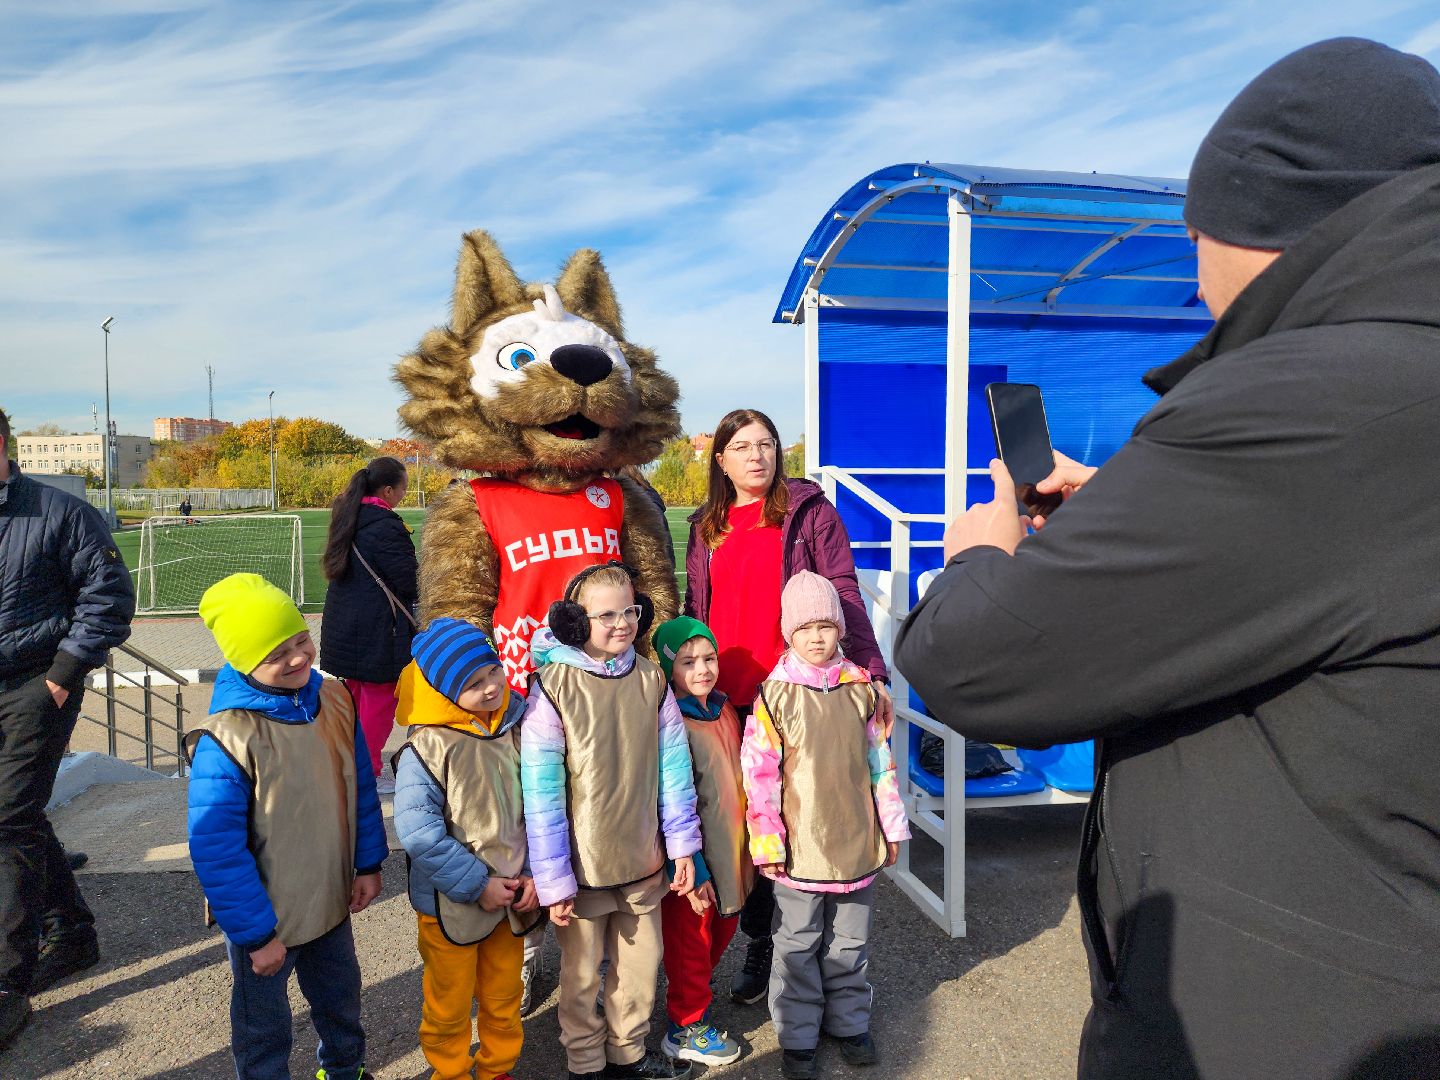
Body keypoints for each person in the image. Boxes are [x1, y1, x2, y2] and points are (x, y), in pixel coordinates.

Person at [894, 37, 1440, 1080]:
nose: (1195, 287)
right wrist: (1132, 509)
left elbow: (975, 661)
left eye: (1197, 237)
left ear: (1257, 219)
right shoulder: (1397, 381)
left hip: (1295, 1024)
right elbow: (1329, 562)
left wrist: (979, 553)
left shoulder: (1304, 399)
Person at [682, 407, 891, 1005]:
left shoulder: (809, 513)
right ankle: (758, 935)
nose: (757, 455)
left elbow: (842, 590)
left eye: (767, 444)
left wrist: (871, 671)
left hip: (792, 697)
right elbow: (695, 604)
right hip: (724, 697)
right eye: (743, 446)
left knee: (797, 816)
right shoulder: (705, 527)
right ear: (720, 459)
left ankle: (788, 945)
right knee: (749, 822)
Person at [186, 573, 387, 1080]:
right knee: (263, 1027)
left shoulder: (335, 699)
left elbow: (358, 784)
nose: (298, 658)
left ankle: (344, 1069)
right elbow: (217, 849)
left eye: (301, 640)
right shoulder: (228, 737)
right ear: (243, 662)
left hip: (330, 899)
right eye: (277, 654)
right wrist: (256, 936)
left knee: (341, 1002)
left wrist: (367, 862)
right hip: (267, 918)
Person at [522, 562, 702, 1080]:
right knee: (579, 978)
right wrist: (554, 879)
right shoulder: (552, 687)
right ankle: (584, 1063)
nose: (622, 623)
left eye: (629, 611)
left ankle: (627, 1055)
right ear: (575, 621)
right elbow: (542, 793)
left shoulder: (651, 679)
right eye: (607, 615)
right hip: (581, 871)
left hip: (643, 860)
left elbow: (674, 769)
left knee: (639, 972)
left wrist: (682, 845)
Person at [0, 407, 133, 1049]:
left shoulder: (59, 512)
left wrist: (64, 670)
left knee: (5, 817)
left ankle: (8, 981)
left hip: (38, 680)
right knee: (18, 814)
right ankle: (74, 933)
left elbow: (106, 596)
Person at [741, 572, 909, 1080]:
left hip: (857, 842)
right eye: (806, 627)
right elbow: (760, 777)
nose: (817, 637)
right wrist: (767, 841)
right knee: (797, 941)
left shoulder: (863, 692)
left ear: (840, 629)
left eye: (826, 626)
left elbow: (881, 766)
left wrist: (893, 826)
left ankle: (850, 1022)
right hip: (799, 849)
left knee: (850, 942)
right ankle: (797, 1034)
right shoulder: (774, 697)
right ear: (789, 632)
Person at [393, 618, 541, 1080]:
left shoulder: (519, 724)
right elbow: (419, 833)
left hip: (514, 896)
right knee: (449, 1003)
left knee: (503, 997)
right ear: (444, 690)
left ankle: (498, 1067)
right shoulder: (428, 748)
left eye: (492, 670)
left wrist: (539, 872)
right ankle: (450, 1071)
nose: (491, 687)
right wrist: (478, 883)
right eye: (473, 684)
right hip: (451, 903)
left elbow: (543, 806)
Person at [650, 617, 751, 1067]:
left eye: (708, 658)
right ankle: (685, 1027)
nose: (703, 669)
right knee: (691, 941)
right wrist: (689, 867)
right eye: (688, 662)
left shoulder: (725, 710)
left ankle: (692, 1001)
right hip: (695, 863)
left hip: (733, 856)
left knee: (723, 928)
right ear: (670, 670)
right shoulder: (672, 725)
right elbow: (667, 802)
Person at [320, 456, 418, 794]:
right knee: (377, 705)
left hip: (346, 627)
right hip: (378, 631)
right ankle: (369, 772)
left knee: (357, 702)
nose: (404, 494)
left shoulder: (347, 515)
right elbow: (408, 582)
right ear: (388, 490)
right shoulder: (385, 524)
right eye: (403, 488)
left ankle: (350, 765)